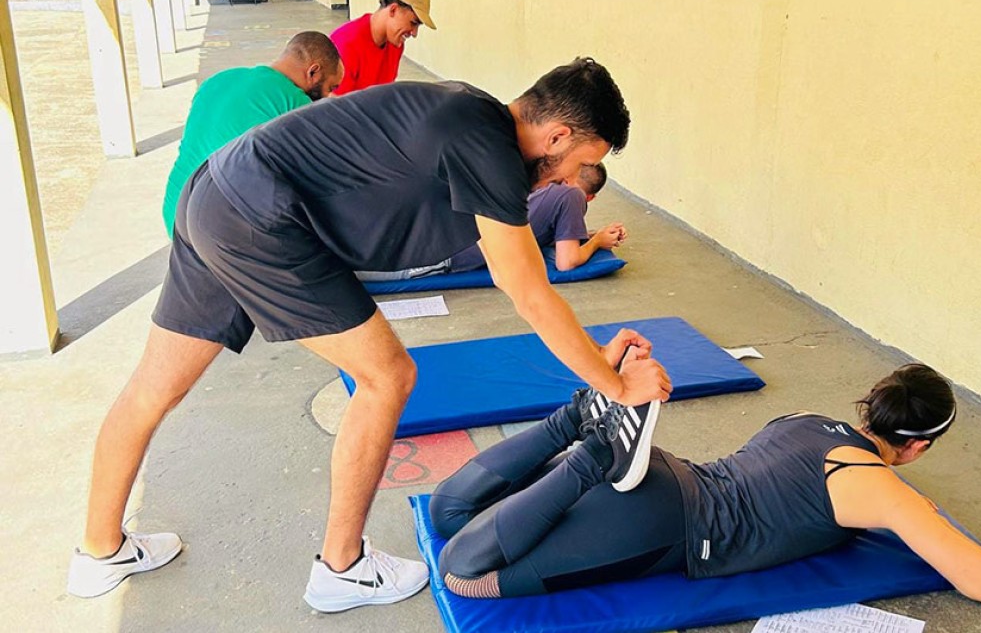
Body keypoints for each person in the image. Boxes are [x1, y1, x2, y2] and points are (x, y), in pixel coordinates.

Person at [66, 58, 672, 614]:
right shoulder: (486, 145)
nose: (565, 181)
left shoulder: (470, 113)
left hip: (215, 195)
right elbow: (529, 292)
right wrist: (616, 386)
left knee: (154, 387)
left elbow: (510, 266)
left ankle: (99, 551)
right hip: (260, 217)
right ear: (557, 137)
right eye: (575, 165)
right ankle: (343, 568)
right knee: (388, 376)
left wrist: (595, 358)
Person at [430, 363, 981, 607]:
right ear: (919, 446)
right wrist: (917, 513)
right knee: (462, 571)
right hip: (659, 529)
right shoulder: (880, 490)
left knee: (448, 515)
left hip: (666, 473)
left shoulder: (803, 419)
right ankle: (595, 451)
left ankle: (576, 420)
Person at [160, 31, 343, 237]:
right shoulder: (296, 104)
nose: (328, 96)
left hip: (174, 214)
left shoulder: (219, 79)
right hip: (215, 233)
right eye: (330, 87)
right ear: (313, 72)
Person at [356, 162, 626, 282]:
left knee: (354, 250)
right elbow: (566, 262)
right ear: (590, 197)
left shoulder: (544, 185)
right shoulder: (572, 195)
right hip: (443, 252)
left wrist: (591, 235)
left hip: (436, 226)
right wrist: (596, 242)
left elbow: (540, 226)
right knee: (350, 271)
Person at [330, 0, 435, 96]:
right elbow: (335, 104)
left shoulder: (395, 44)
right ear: (393, 10)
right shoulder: (346, 43)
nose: (414, 33)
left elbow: (384, 95)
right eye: (413, 23)